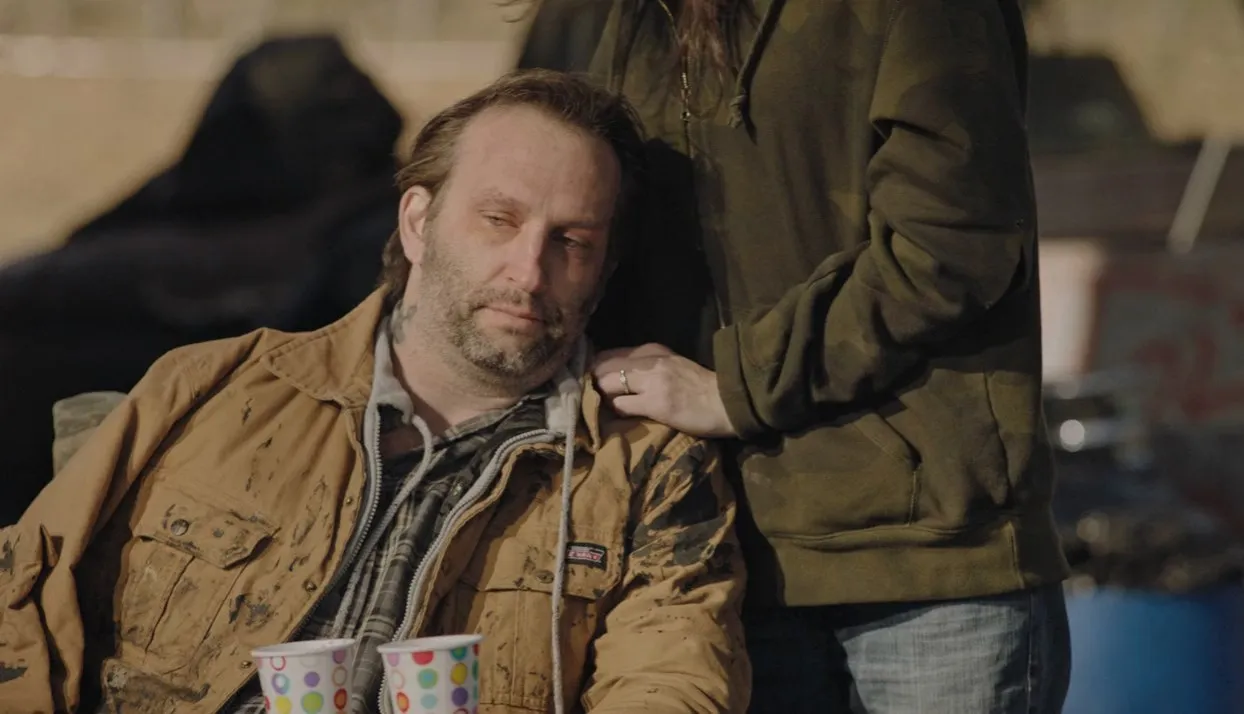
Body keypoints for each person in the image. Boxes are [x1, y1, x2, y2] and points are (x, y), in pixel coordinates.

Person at [0, 70, 749, 714]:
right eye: (499, 219)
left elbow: (671, 686)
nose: (529, 271)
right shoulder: (212, 390)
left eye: (572, 242)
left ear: (604, 272)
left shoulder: (644, 470)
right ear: (418, 222)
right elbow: (21, 603)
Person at [585, 1, 1073, 712]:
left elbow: (952, 244)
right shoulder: (633, 17)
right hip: (711, 563)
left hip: (923, 565)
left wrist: (738, 386)